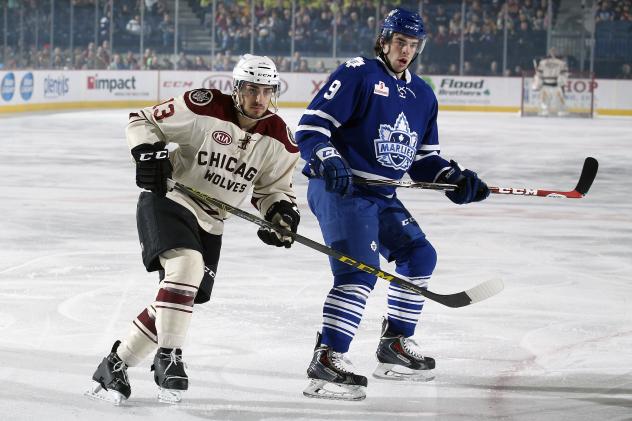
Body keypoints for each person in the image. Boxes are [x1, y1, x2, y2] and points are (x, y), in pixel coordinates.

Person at [295, 8, 490, 401]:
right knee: (359, 273)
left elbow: (424, 160)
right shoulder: (358, 73)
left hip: (382, 194)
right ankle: (326, 359)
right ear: (384, 41)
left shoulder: (423, 94)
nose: (406, 51)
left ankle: (394, 346)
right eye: (400, 42)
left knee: (420, 255)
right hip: (340, 190)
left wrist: (454, 178)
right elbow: (311, 128)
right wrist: (329, 158)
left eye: (412, 45)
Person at [86, 54, 300, 405]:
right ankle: (169, 356)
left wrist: (281, 214)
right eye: (251, 89)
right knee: (187, 269)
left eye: (266, 90)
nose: (259, 99)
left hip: (213, 222)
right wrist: (146, 154)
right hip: (170, 200)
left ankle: (115, 364)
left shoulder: (279, 139)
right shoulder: (203, 107)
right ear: (236, 88)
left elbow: (274, 189)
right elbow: (142, 120)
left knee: (177, 299)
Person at [532, 47, 569, 116]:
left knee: (559, 100)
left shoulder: (544, 62)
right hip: (547, 84)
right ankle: (546, 110)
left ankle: (560, 111)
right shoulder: (561, 63)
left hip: (555, 85)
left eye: (554, 51)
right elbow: (539, 74)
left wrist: (561, 82)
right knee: (544, 100)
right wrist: (538, 83)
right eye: (552, 51)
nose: (553, 53)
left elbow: (539, 74)